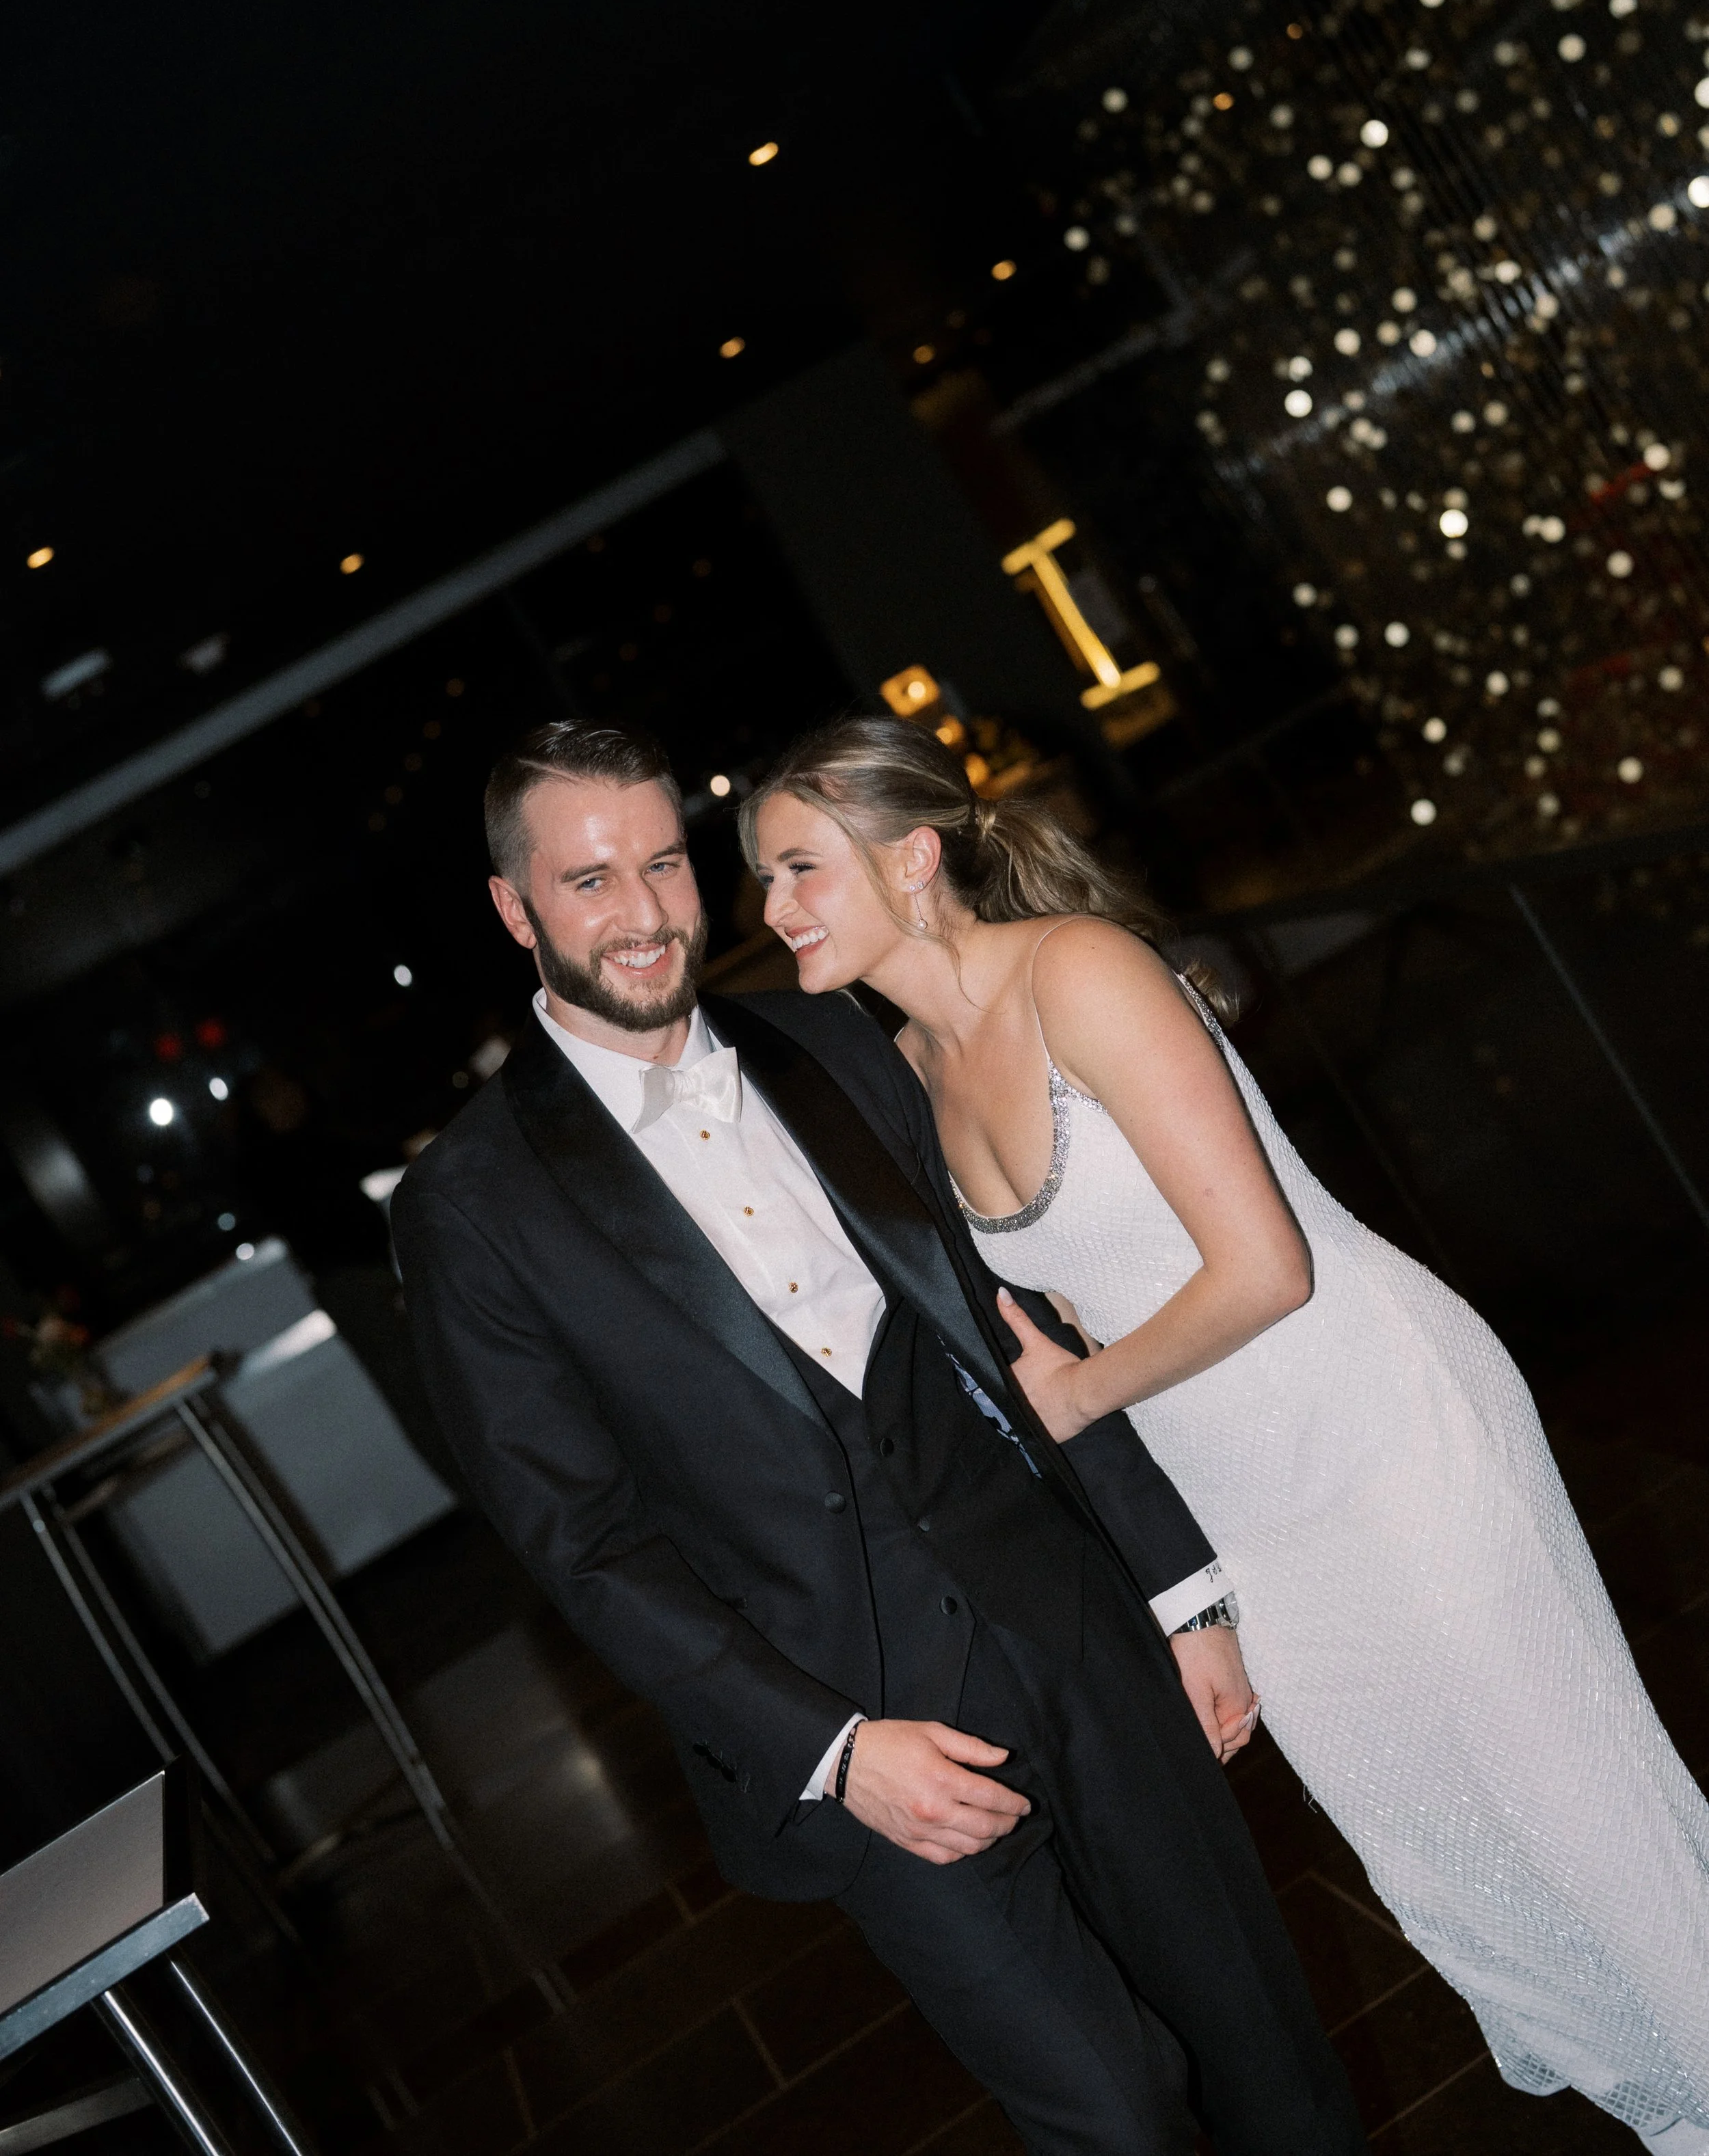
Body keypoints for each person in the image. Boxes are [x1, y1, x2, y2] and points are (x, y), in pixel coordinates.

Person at [394, 717, 1367, 2156]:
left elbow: (1010, 1322)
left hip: (1072, 1624)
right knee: (1113, 2112)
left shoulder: (822, 1037)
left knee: (1265, 2053)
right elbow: (584, 1547)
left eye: (662, 864)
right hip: (859, 1736)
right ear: (513, 906)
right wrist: (834, 1748)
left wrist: (1180, 1588)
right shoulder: (469, 1207)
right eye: (589, 881)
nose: (646, 912)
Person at [746, 711, 1709, 2155]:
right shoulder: (925, 1084)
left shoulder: (1079, 969)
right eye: (763, 880)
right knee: (1445, 1862)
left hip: (1382, 1427)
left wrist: (1072, 1393)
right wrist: (1188, 1590)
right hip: (1257, 1516)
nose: (769, 912)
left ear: (912, 858)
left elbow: (1265, 1266)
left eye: (797, 868)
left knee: (1579, 1809)